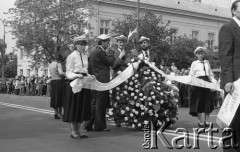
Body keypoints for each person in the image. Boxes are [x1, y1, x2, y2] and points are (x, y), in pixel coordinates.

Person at [219, 1, 240, 151]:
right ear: (234, 10)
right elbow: (225, 55)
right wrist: (228, 80)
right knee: (232, 120)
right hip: (235, 82)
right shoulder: (228, 28)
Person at [62, 34, 92, 139]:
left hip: (83, 83)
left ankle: (79, 131)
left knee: (81, 107)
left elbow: (85, 71)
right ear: (76, 45)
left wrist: (89, 76)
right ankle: (73, 132)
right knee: (74, 107)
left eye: (84, 45)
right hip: (75, 83)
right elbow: (68, 73)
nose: (83, 47)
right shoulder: (71, 56)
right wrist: (76, 75)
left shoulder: (85, 56)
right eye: (81, 45)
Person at [85, 34, 115, 131]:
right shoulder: (101, 52)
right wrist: (111, 53)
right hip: (102, 80)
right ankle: (99, 125)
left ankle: (88, 125)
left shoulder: (93, 51)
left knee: (94, 102)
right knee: (100, 104)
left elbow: (89, 67)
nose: (108, 44)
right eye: (107, 42)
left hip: (94, 79)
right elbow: (110, 62)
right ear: (102, 42)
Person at [189, 46, 215, 128]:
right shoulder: (194, 63)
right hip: (198, 83)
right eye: (199, 53)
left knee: (208, 102)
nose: (200, 55)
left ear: (204, 54)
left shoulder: (207, 62)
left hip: (206, 82)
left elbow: (210, 74)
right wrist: (193, 82)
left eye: (202, 53)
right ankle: (201, 121)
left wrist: (214, 82)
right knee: (199, 103)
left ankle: (207, 121)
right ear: (196, 54)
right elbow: (191, 74)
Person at [49, 53, 66, 119]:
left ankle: (56, 113)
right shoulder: (58, 64)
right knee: (60, 97)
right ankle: (60, 113)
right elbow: (61, 73)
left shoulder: (50, 64)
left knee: (54, 97)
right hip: (59, 81)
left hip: (53, 81)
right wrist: (66, 74)